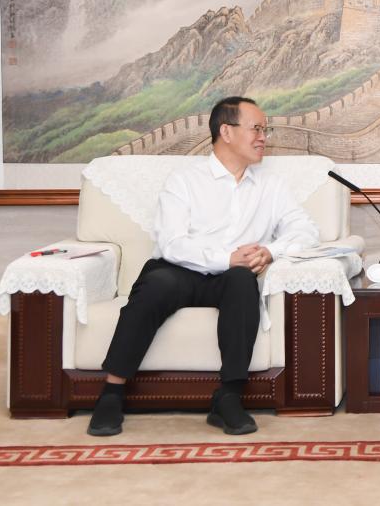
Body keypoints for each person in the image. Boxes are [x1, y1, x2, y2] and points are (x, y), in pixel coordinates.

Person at [87, 97, 319, 436]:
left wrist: (270, 250)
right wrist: (226, 257)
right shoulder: (184, 181)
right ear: (226, 131)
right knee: (157, 285)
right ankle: (111, 393)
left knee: (243, 282)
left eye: (265, 130)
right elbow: (172, 243)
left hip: (229, 277)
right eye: (256, 128)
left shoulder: (270, 186)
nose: (263, 137)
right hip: (177, 270)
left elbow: (306, 230)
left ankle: (229, 397)